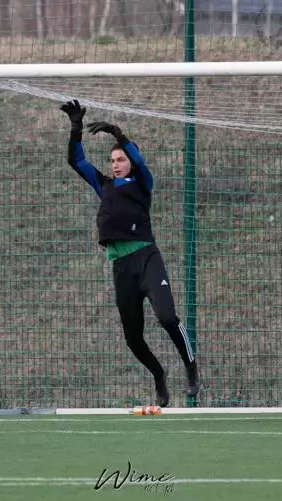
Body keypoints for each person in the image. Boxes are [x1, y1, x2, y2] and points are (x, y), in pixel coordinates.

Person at [60, 99, 199, 407]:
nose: (115, 163)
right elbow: (76, 161)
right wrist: (75, 127)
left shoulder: (142, 183)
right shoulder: (104, 185)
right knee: (133, 338)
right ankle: (158, 374)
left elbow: (139, 159)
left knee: (167, 317)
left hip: (147, 259)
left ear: (130, 162)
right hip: (122, 267)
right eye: (113, 160)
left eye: (121, 159)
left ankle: (191, 368)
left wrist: (118, 134)